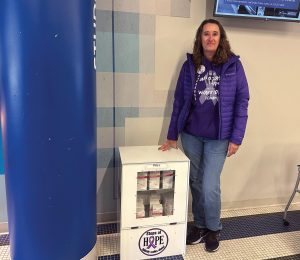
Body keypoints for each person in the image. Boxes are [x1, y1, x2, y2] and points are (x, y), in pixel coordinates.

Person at [159, 19, 249, 252]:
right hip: (191, 135)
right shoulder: (190, 65)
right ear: (200, 38)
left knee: (209, 185)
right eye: (206, 34)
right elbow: (179, 101)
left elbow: (242, 102)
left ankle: (213, 227)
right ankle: (199, 225)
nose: (210, 38)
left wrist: (237, 138)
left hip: (219, 138)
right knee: (196, 183)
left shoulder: (233, 65)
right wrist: (171, 135)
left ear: (221, 39)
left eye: (215, 34)